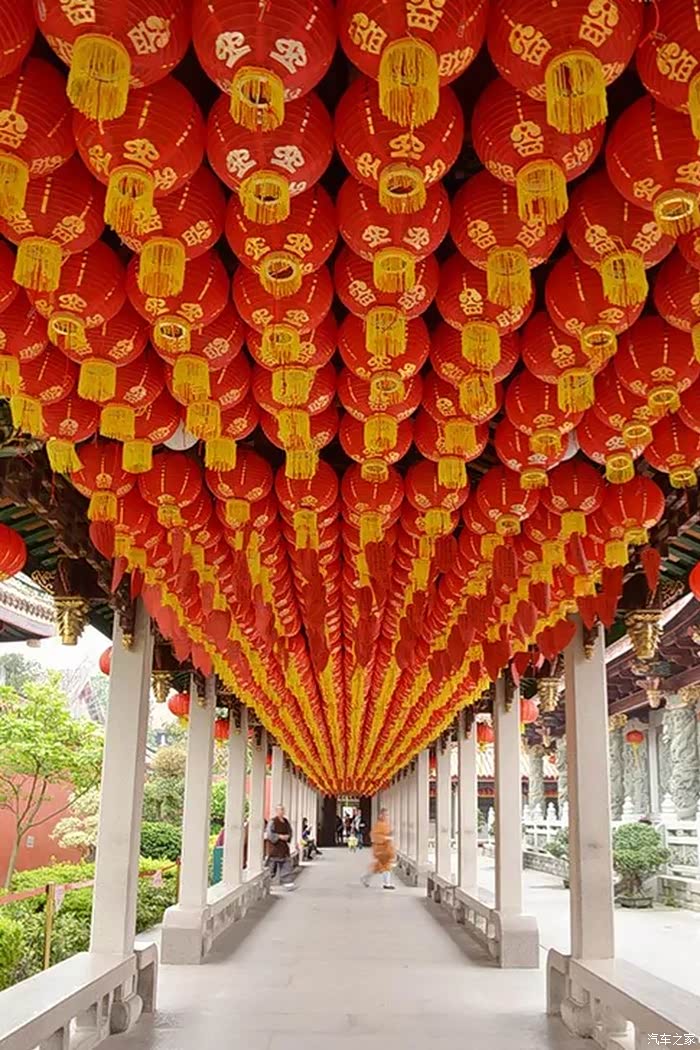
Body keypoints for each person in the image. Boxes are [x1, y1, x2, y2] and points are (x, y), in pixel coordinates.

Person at [361, 807, 396, 890]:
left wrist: (390, 835)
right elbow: (375, 836)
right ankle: (386, 883)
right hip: (380, 849)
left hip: (386, 849)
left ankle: (366, 878)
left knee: (379, 866)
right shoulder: (378, 825)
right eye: (385, 814)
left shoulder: (386, 824)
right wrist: (386, 838)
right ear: (380, 815)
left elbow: (387, 834)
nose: (386, 816)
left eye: (387, 815)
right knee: (386, 866)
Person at [265, 804, 296, 891]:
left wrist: (288, 837)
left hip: (284, 847)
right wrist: (279, 836)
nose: (281, 812)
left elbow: (290, 831)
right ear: (276, 811)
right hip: (275, 848)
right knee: (271, 866)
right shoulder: (273, 822)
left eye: (282, 810)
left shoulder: (286, 821)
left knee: (286, 865)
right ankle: (268, 883)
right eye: (279, 810)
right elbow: (269, 834)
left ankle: (288, 883)